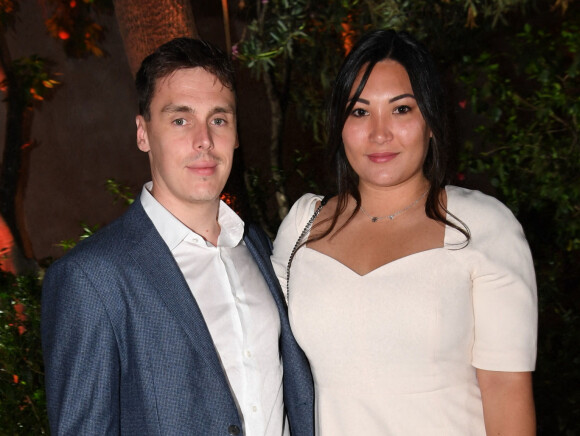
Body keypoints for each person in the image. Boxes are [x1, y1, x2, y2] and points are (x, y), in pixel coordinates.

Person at [42, 37, 314, 436]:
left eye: (218, 119)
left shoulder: (254, 245)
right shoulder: (91, 279)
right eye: (180, 119)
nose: (203, 140)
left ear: (236, 133)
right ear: (143, 133)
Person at [272, 30, 537, 435]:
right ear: (339, 125)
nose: (380, 133)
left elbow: (506, 391)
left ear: (431, 121)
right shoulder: (302, 227)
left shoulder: (482, 228)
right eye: (360, 112)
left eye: (401, 110)